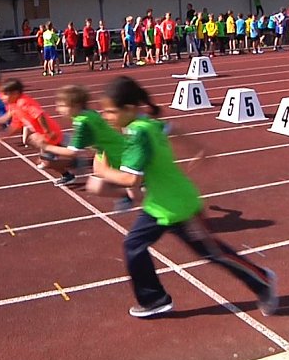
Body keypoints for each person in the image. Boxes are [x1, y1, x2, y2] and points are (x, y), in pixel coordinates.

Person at [92, 76, 278, 318]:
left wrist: (103, 172)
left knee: (214, 253)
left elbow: (132, 180)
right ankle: (154, 299)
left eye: (109, 112)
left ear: (128, 109)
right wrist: (198, 149)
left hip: (180, 206)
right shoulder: (144, 123)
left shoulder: (138, 133)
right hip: (159, 205)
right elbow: (173, 129)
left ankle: (263, 280)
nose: (106, 116)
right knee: (133, 246)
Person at [42, 85, 138, 211]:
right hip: (104, 149)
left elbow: (71, 152)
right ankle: (129, 192)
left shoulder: (82, 122)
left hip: (115, 151)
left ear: (75, 105)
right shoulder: (87, 114)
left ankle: (131, 195)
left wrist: (45, 146)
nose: (57, 109)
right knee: (99, 179)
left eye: (61, 105)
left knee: (97, 187)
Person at [0, 78, 75, 185]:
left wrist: (47, 131)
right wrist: (5, 134)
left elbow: (40, 114)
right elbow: (16, 124)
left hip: (50, 134)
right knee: (44, 159)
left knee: (47, 162)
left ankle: (68, 174)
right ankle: (68, 164)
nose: (2, 97)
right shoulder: (13, 106)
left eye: (5, 94)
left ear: (15, 93)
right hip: (45, 136)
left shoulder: (23, 102)